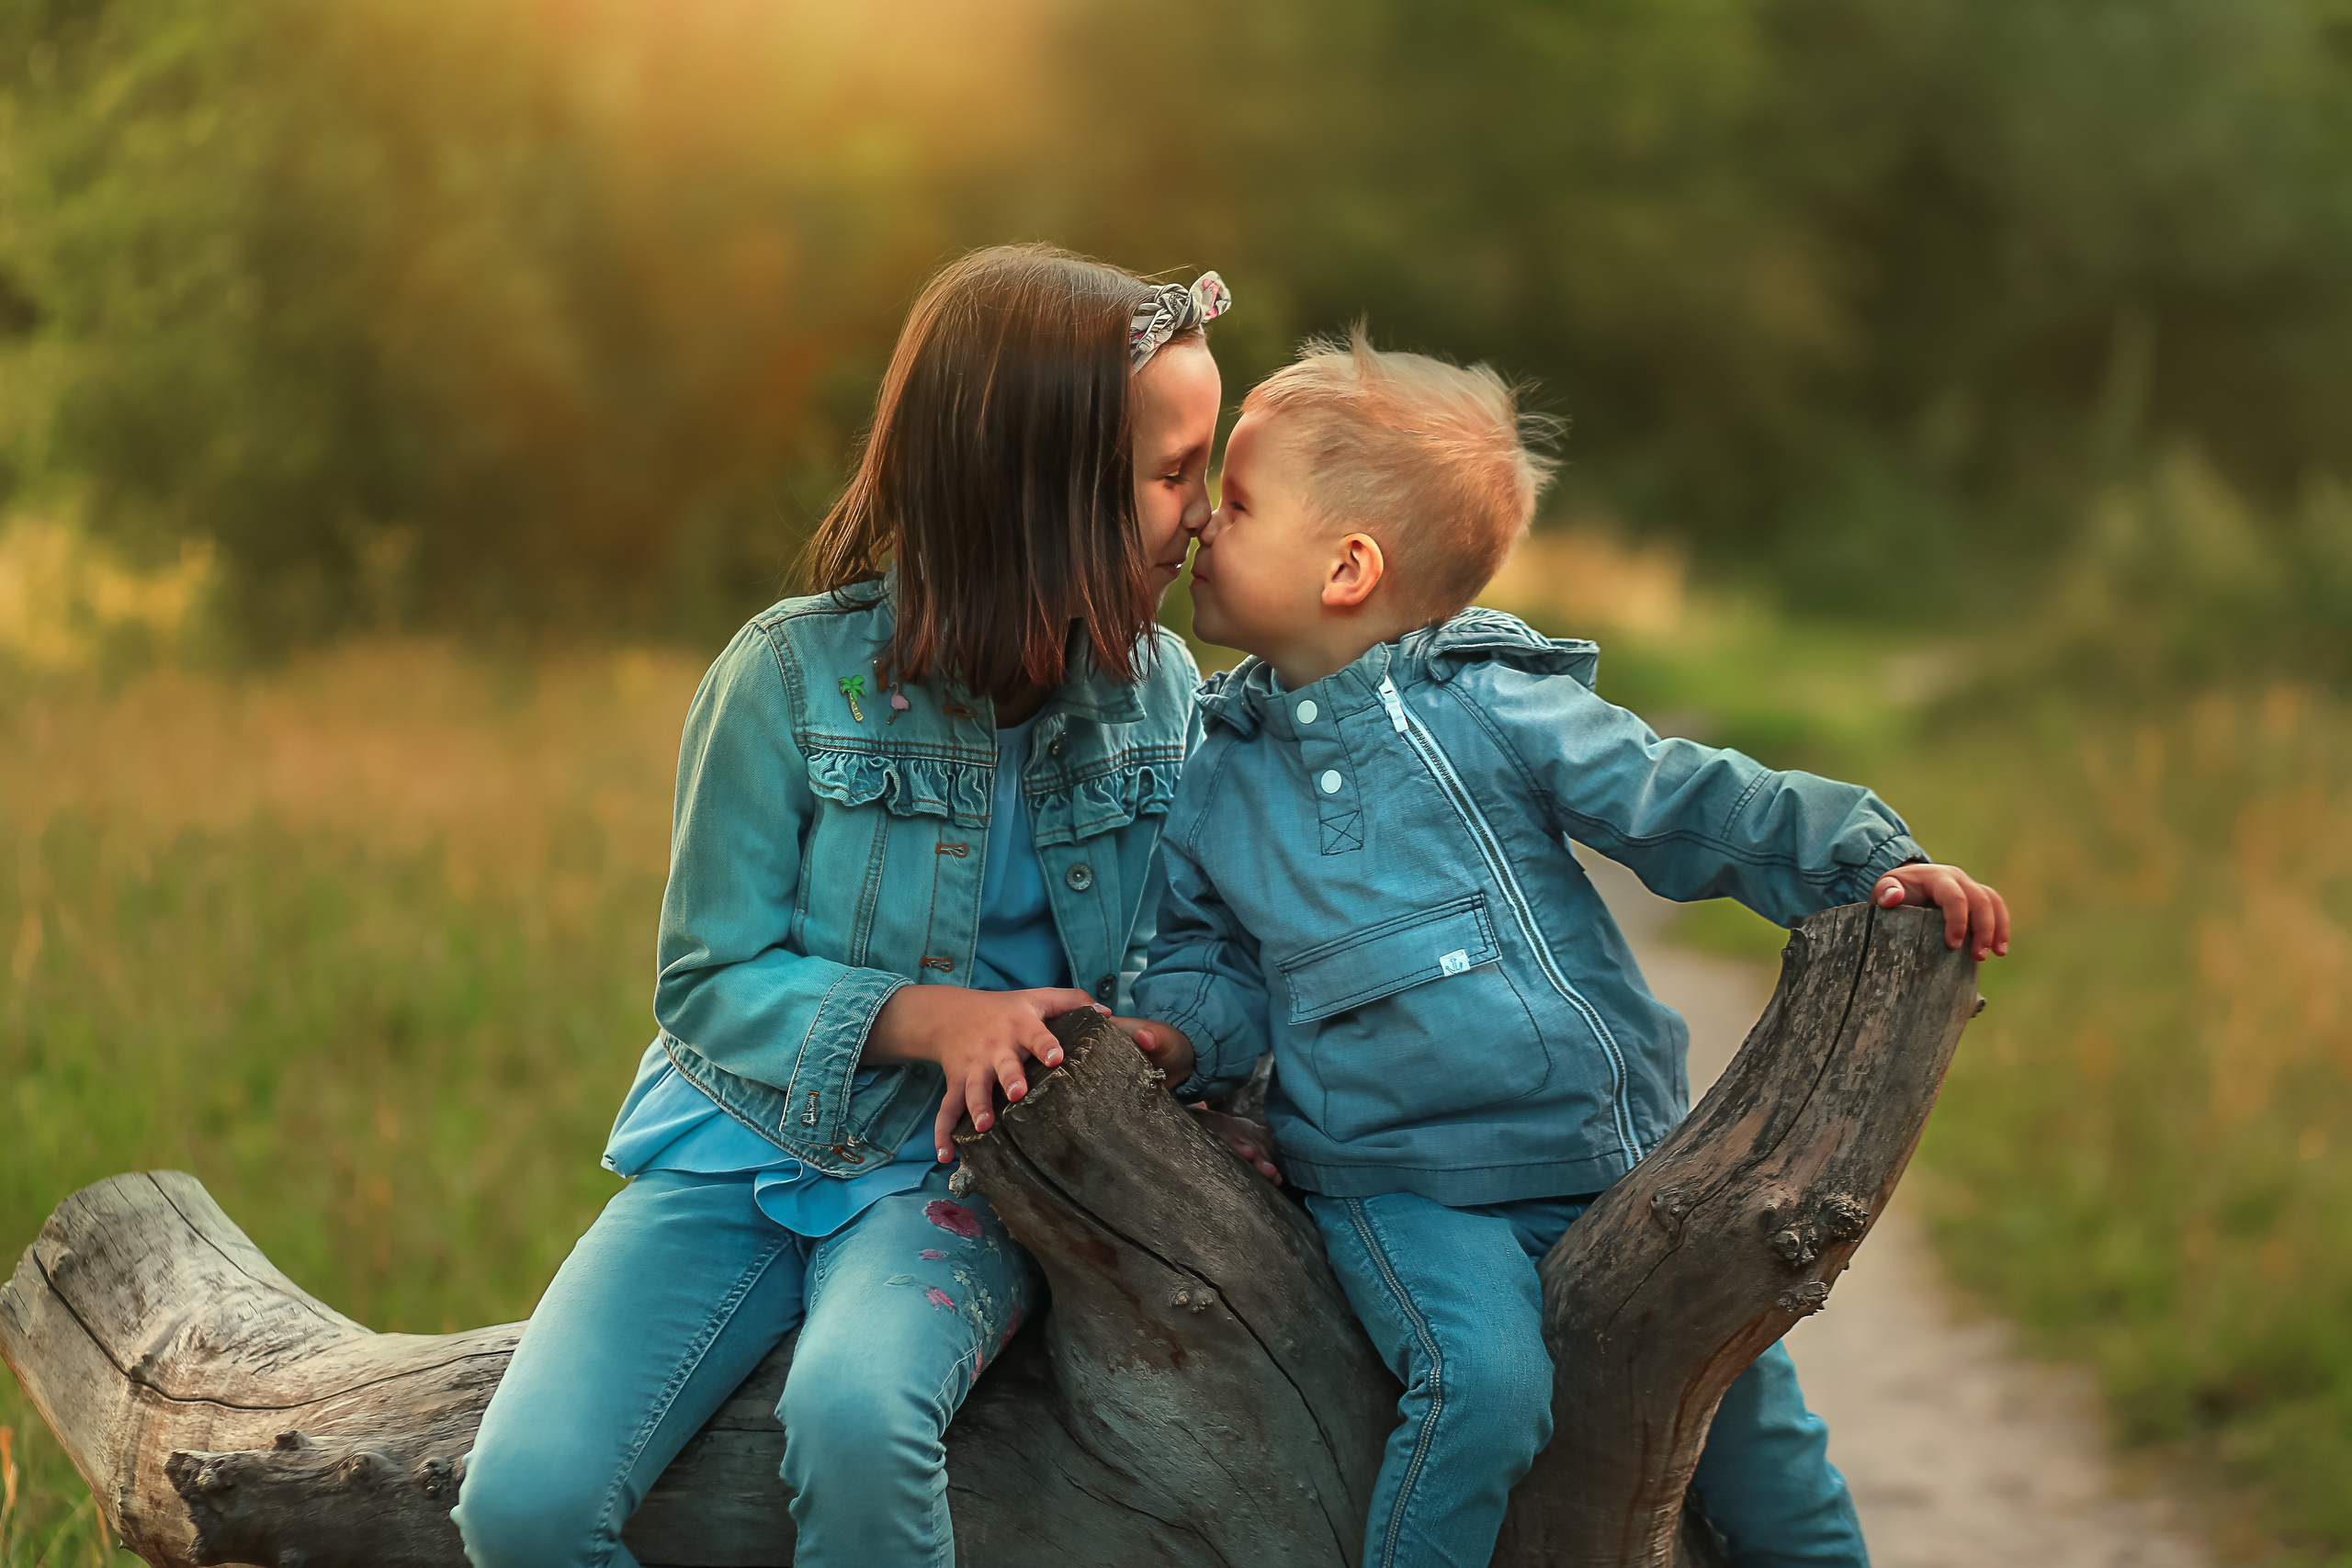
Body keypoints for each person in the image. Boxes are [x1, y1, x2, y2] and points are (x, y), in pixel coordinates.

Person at [1113, 328, 2011, 1568]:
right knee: (1481, 1394)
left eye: (1243, 502)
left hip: (1614, 1161)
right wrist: (1173, 1035)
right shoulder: (1215, 777)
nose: (1207, 522)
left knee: (1769, 1460)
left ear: (1347, 567)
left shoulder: (1492, 706)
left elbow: (1685, 800)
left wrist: (1869, 861)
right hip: (1403, 1188)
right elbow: (1211, 965)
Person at [453, 244, 1232, 1568]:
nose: (1207, 513)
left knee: (857, 1415)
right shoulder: (786, 679)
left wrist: (1172, 1047)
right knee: (520, 1506)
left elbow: (1204, 957)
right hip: (735, 1156)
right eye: (1173, 475)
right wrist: (934, 1018)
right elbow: (709, 979)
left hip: (959, 1177)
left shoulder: (1165, 703)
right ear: (1035, 499)